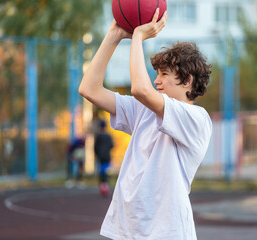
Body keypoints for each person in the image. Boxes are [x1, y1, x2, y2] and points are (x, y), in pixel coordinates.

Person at [79, 8, 212, 240]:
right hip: (128, 229)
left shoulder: (197, 120)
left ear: (187, 81)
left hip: (166, 232)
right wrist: (114, 35)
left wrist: (139, 36)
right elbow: (89, 89)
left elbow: (140, 89)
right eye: (157, 74)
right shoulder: (144, 111)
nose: (156, 80)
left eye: (164, 74)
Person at [94, 119, 114, 196]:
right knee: (106, 171)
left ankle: (102, 187)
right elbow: (112, 146)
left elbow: (95, 147)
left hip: (100, 156)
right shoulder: (108, 136)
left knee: (101, 172)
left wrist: (97, 153)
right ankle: (106, 186)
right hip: (107, 156)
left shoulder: (98, 136)